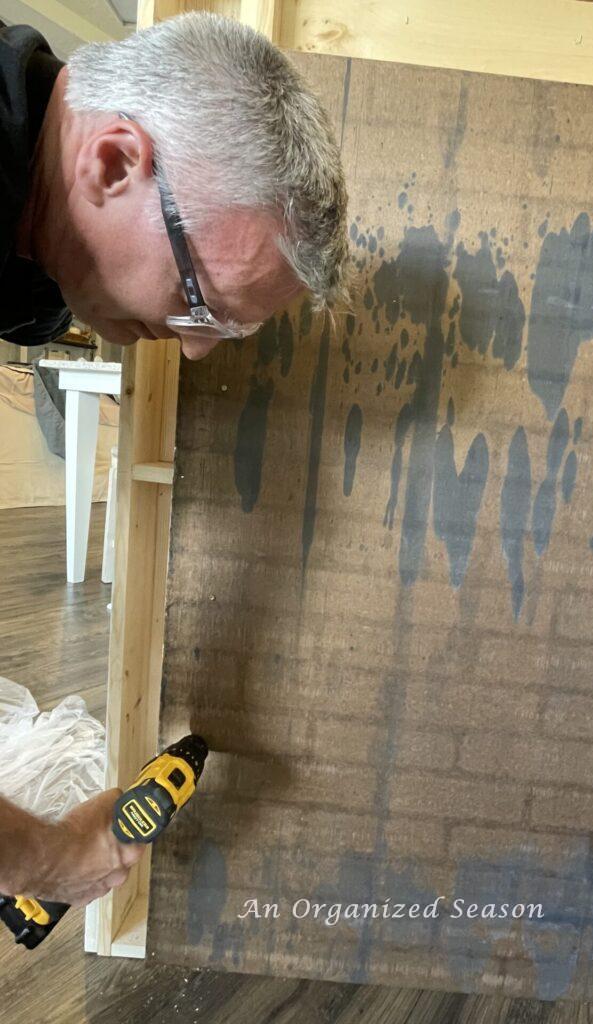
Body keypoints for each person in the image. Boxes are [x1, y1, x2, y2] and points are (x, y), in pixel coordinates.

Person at [0, 12, 349, 906]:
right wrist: (42, 856)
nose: (194, 352)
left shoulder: (35, 238)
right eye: (202, 305)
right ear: (114, 164)